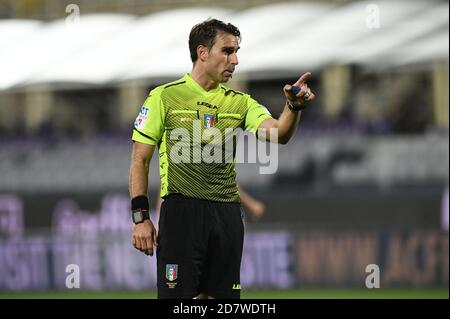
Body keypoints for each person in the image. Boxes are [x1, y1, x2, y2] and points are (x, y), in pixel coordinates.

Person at [128, 18, 315, 299]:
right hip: (181, 213)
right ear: (203, 53)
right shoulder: (164, 97)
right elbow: (139, 160)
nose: (235, 60)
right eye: (227, 51)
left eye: (236, 51)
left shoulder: (240, 102)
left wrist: (293, 107)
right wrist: (140, 218)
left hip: (226, 214)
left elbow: (279, 133)